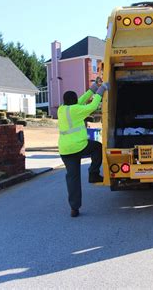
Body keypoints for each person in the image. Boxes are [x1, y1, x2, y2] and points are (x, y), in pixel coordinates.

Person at [58, 80, 109, 217]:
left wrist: (93, 88)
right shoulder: (76, 110)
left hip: (65, 150)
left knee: (72, 178)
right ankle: (93, 174)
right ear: (73, 101)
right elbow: (92, 106)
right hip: (79, 146)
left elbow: (80, 101)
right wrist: (102, 89)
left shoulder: (62, 109)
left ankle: (74, 208)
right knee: (97, 147)